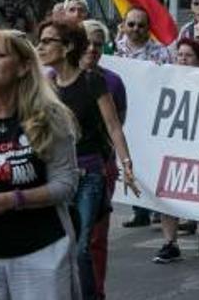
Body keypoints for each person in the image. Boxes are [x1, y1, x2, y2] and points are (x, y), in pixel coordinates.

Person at [36, 19, 139, 299]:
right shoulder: (46, 84)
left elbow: (113, 126)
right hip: (57, 176)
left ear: (68, 46)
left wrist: (127, 166)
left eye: (48, 41)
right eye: (40, 41)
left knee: (82, 247)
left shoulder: (93, 81)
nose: (42, 46)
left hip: (90, 175)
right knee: (59, 246)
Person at [0, 29, 80, 299]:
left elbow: (66, 184)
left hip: (41, 252)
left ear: (24, 67)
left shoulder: (51, 117)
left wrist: (13, 200)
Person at [152, 38, 199, 263]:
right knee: (166, 192)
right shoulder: (166, 78)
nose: (182, 59)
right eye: (179, 55)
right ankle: (170, 243)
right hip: (172, 146)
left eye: (188, 56)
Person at [81, 20, 127, 300]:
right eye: (87, 42)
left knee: (96, 238)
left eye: (98, 44)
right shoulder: (51, 76)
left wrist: (118, 159)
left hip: (99, 167)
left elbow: (117, 123)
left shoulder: (112, 82)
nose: (92, 49)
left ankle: (96, 293)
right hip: (61, 170)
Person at [114, 7, 169, 228]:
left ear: (148, 28)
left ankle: (157, 208)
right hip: (124, 114)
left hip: (151, 115)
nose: (135, 29)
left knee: (153, 163)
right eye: (131, 24)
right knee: (130, 161)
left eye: (141, 25)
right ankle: (139, 210)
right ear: (124, 25)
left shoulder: (160, 53)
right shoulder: (114, 50)